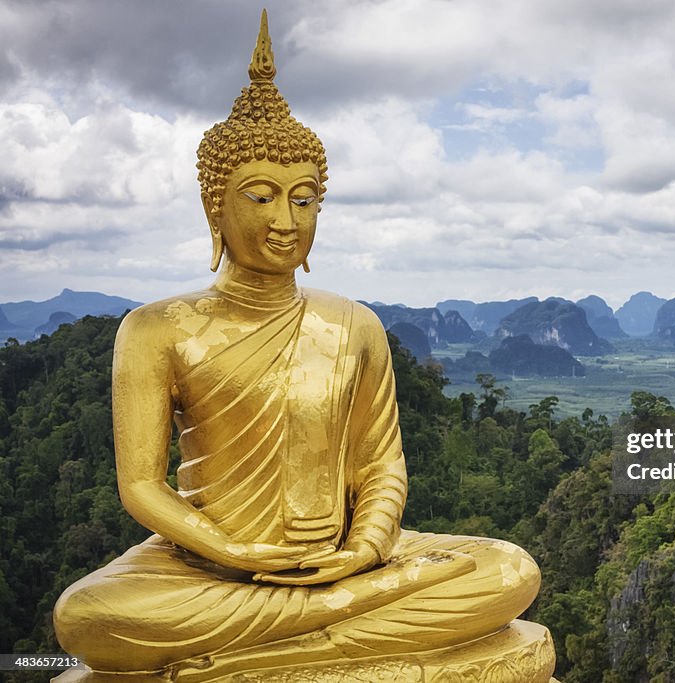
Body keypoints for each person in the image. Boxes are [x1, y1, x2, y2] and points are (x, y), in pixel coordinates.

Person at [53, 11, 554, 682]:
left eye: (304, 199)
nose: (285, 221)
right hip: (208, 564)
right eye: (260, 197)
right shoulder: (156, 329)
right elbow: (143, 484)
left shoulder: (355, 325)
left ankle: (278, 650)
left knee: (511, 569)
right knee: (87, 616)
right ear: (215, 206)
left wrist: (365, 550)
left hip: (343, 561)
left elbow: (382, 468)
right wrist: (230, 551)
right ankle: (339, 625)